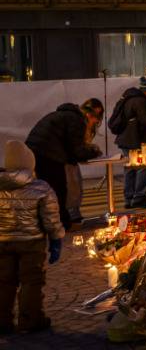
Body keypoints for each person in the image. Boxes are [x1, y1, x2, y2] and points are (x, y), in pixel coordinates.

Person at [0, 140, 64, 334]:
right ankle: (30, 319)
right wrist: (56, 238)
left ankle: (2, 321)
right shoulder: (41, 187)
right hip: (32, 243)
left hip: (2, 242)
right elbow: (51, 217)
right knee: (32, 281)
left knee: (3, 281)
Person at [25, 100, 102, 229]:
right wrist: (94, 151)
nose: (94, 124)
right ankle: (62, 225)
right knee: (58, 190)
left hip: (35, 152)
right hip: (47, 155)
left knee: (48, 190)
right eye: (95, 120)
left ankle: (52, 223)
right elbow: (77, 150)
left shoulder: (65, 115)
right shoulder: (77, 120)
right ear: (89, 116)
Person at [114, 77, 146, 209]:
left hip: (126, 139)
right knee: (145, 167)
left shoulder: (129, 99)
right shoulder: (141, 101)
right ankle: (139, 197)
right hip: (137, 140)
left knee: (130, 169)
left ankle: (129, 198)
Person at [65, 98, 104, 226]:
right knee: (72, 185)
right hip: (64, 158)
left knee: (76, 184)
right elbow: (75, 147)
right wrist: (90, 152)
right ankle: (72, 215)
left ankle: (73, 214)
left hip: (68, 157)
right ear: (87, 113)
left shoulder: (83, 123)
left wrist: (90, 149)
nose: (96, 119)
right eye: (94, 115)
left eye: (98, 115)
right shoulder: (77, 122)